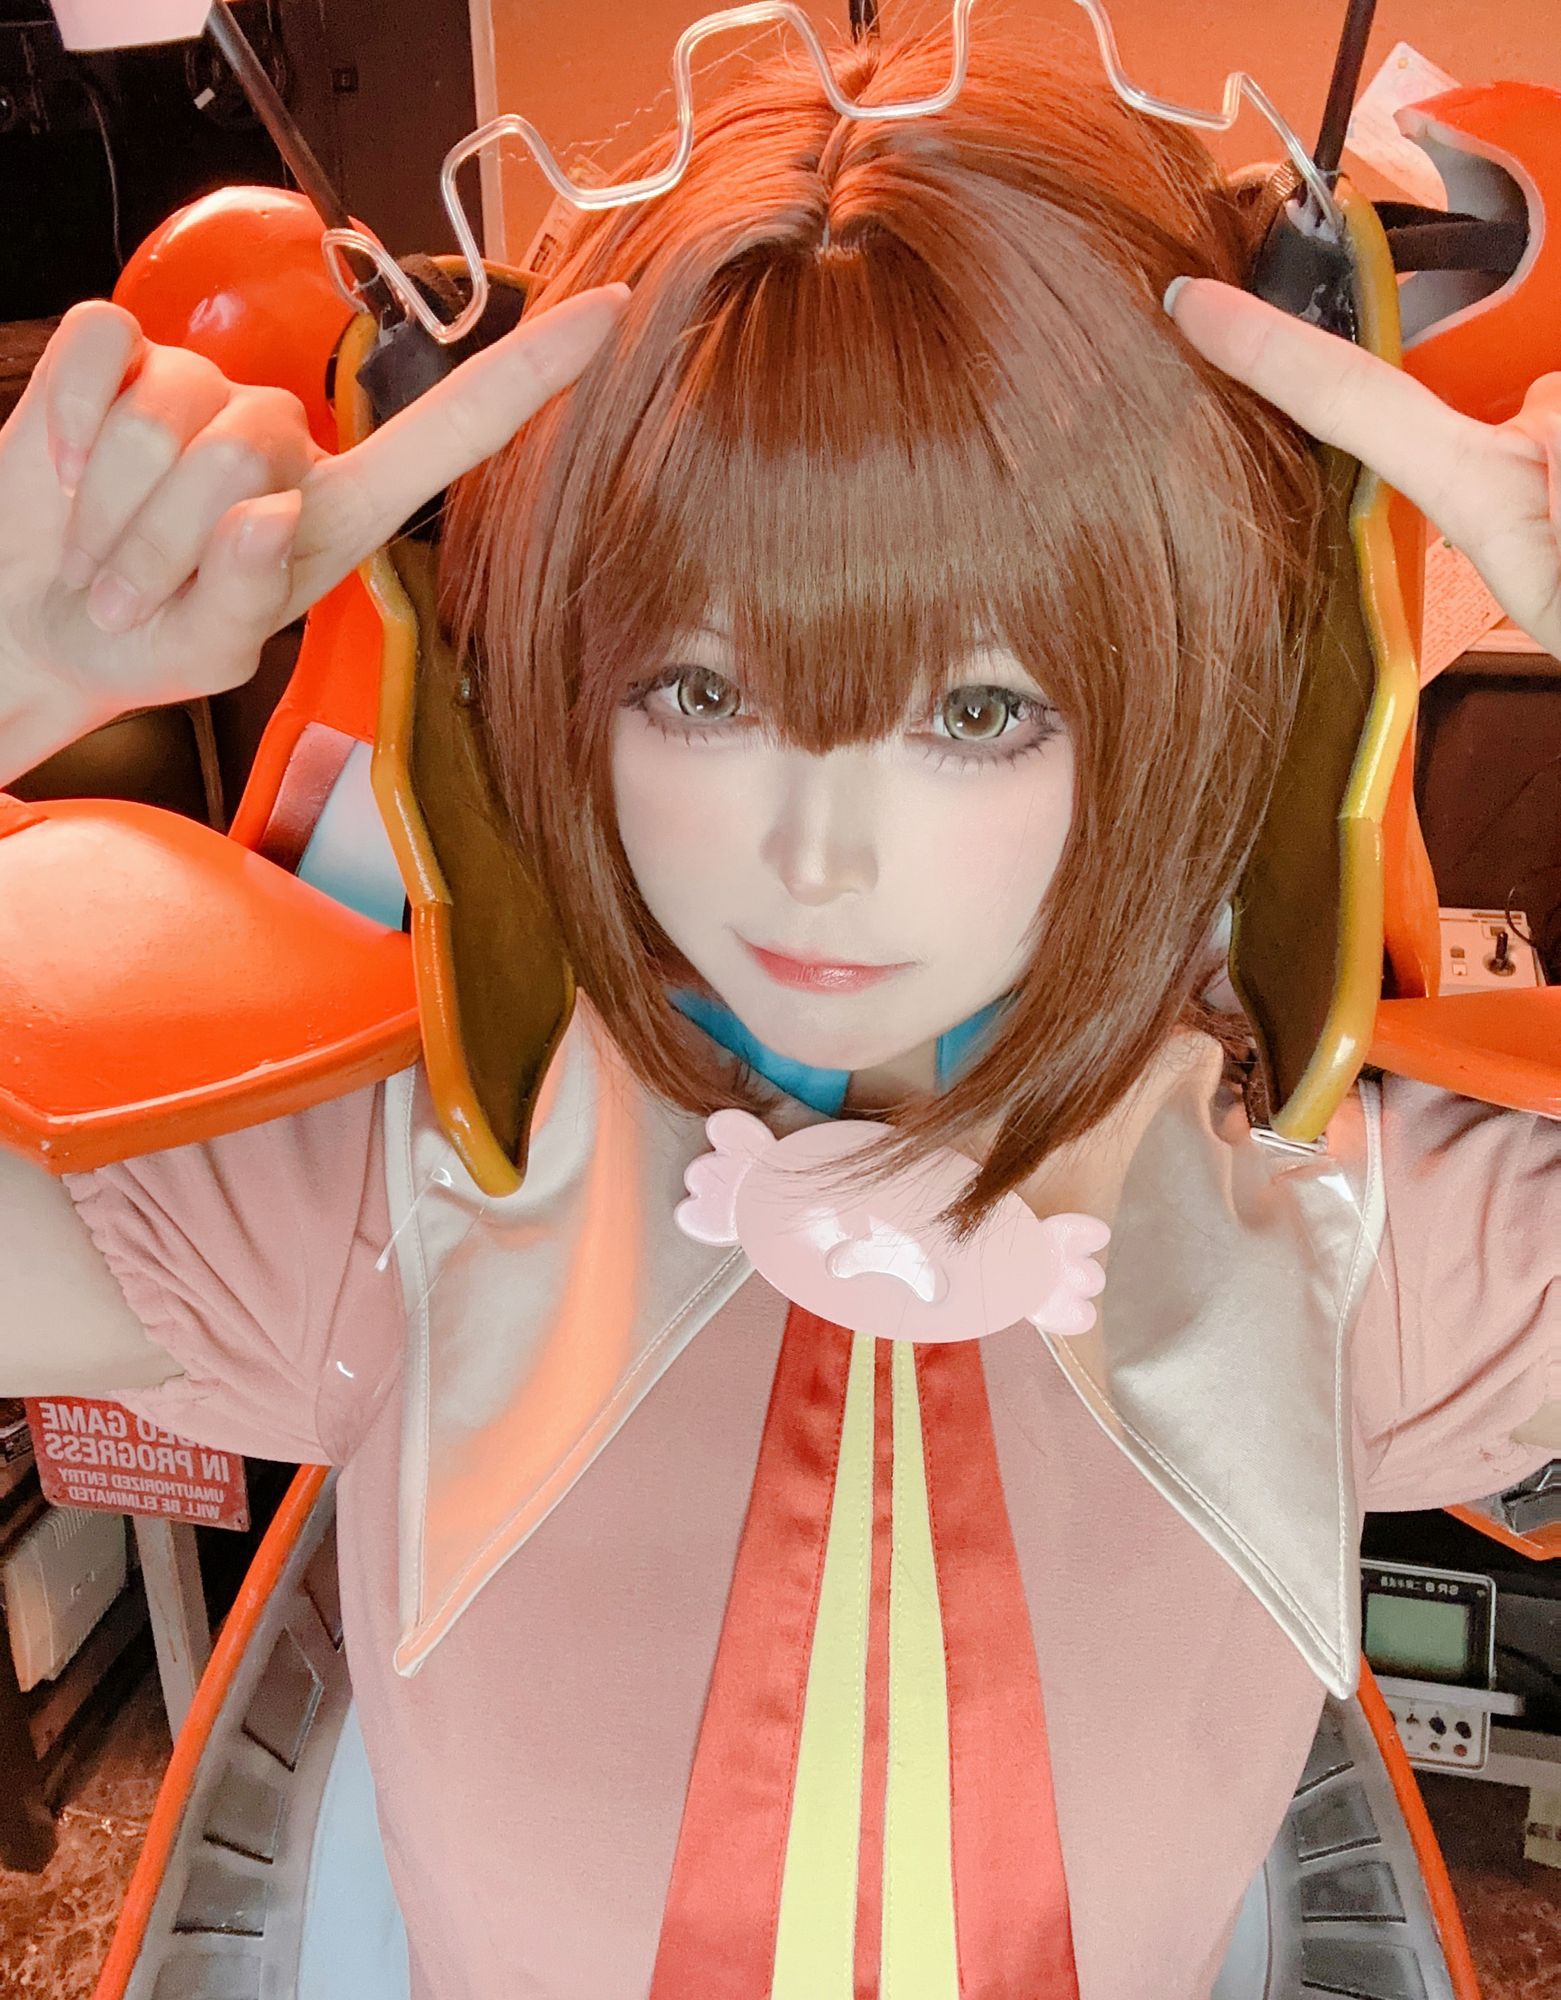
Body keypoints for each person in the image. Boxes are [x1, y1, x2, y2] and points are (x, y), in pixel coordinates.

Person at [2, 19, 1557, 1998]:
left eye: (979, 708)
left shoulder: (1346, 1233)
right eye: (700, 690)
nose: (818, 854)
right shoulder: (403, 1196)